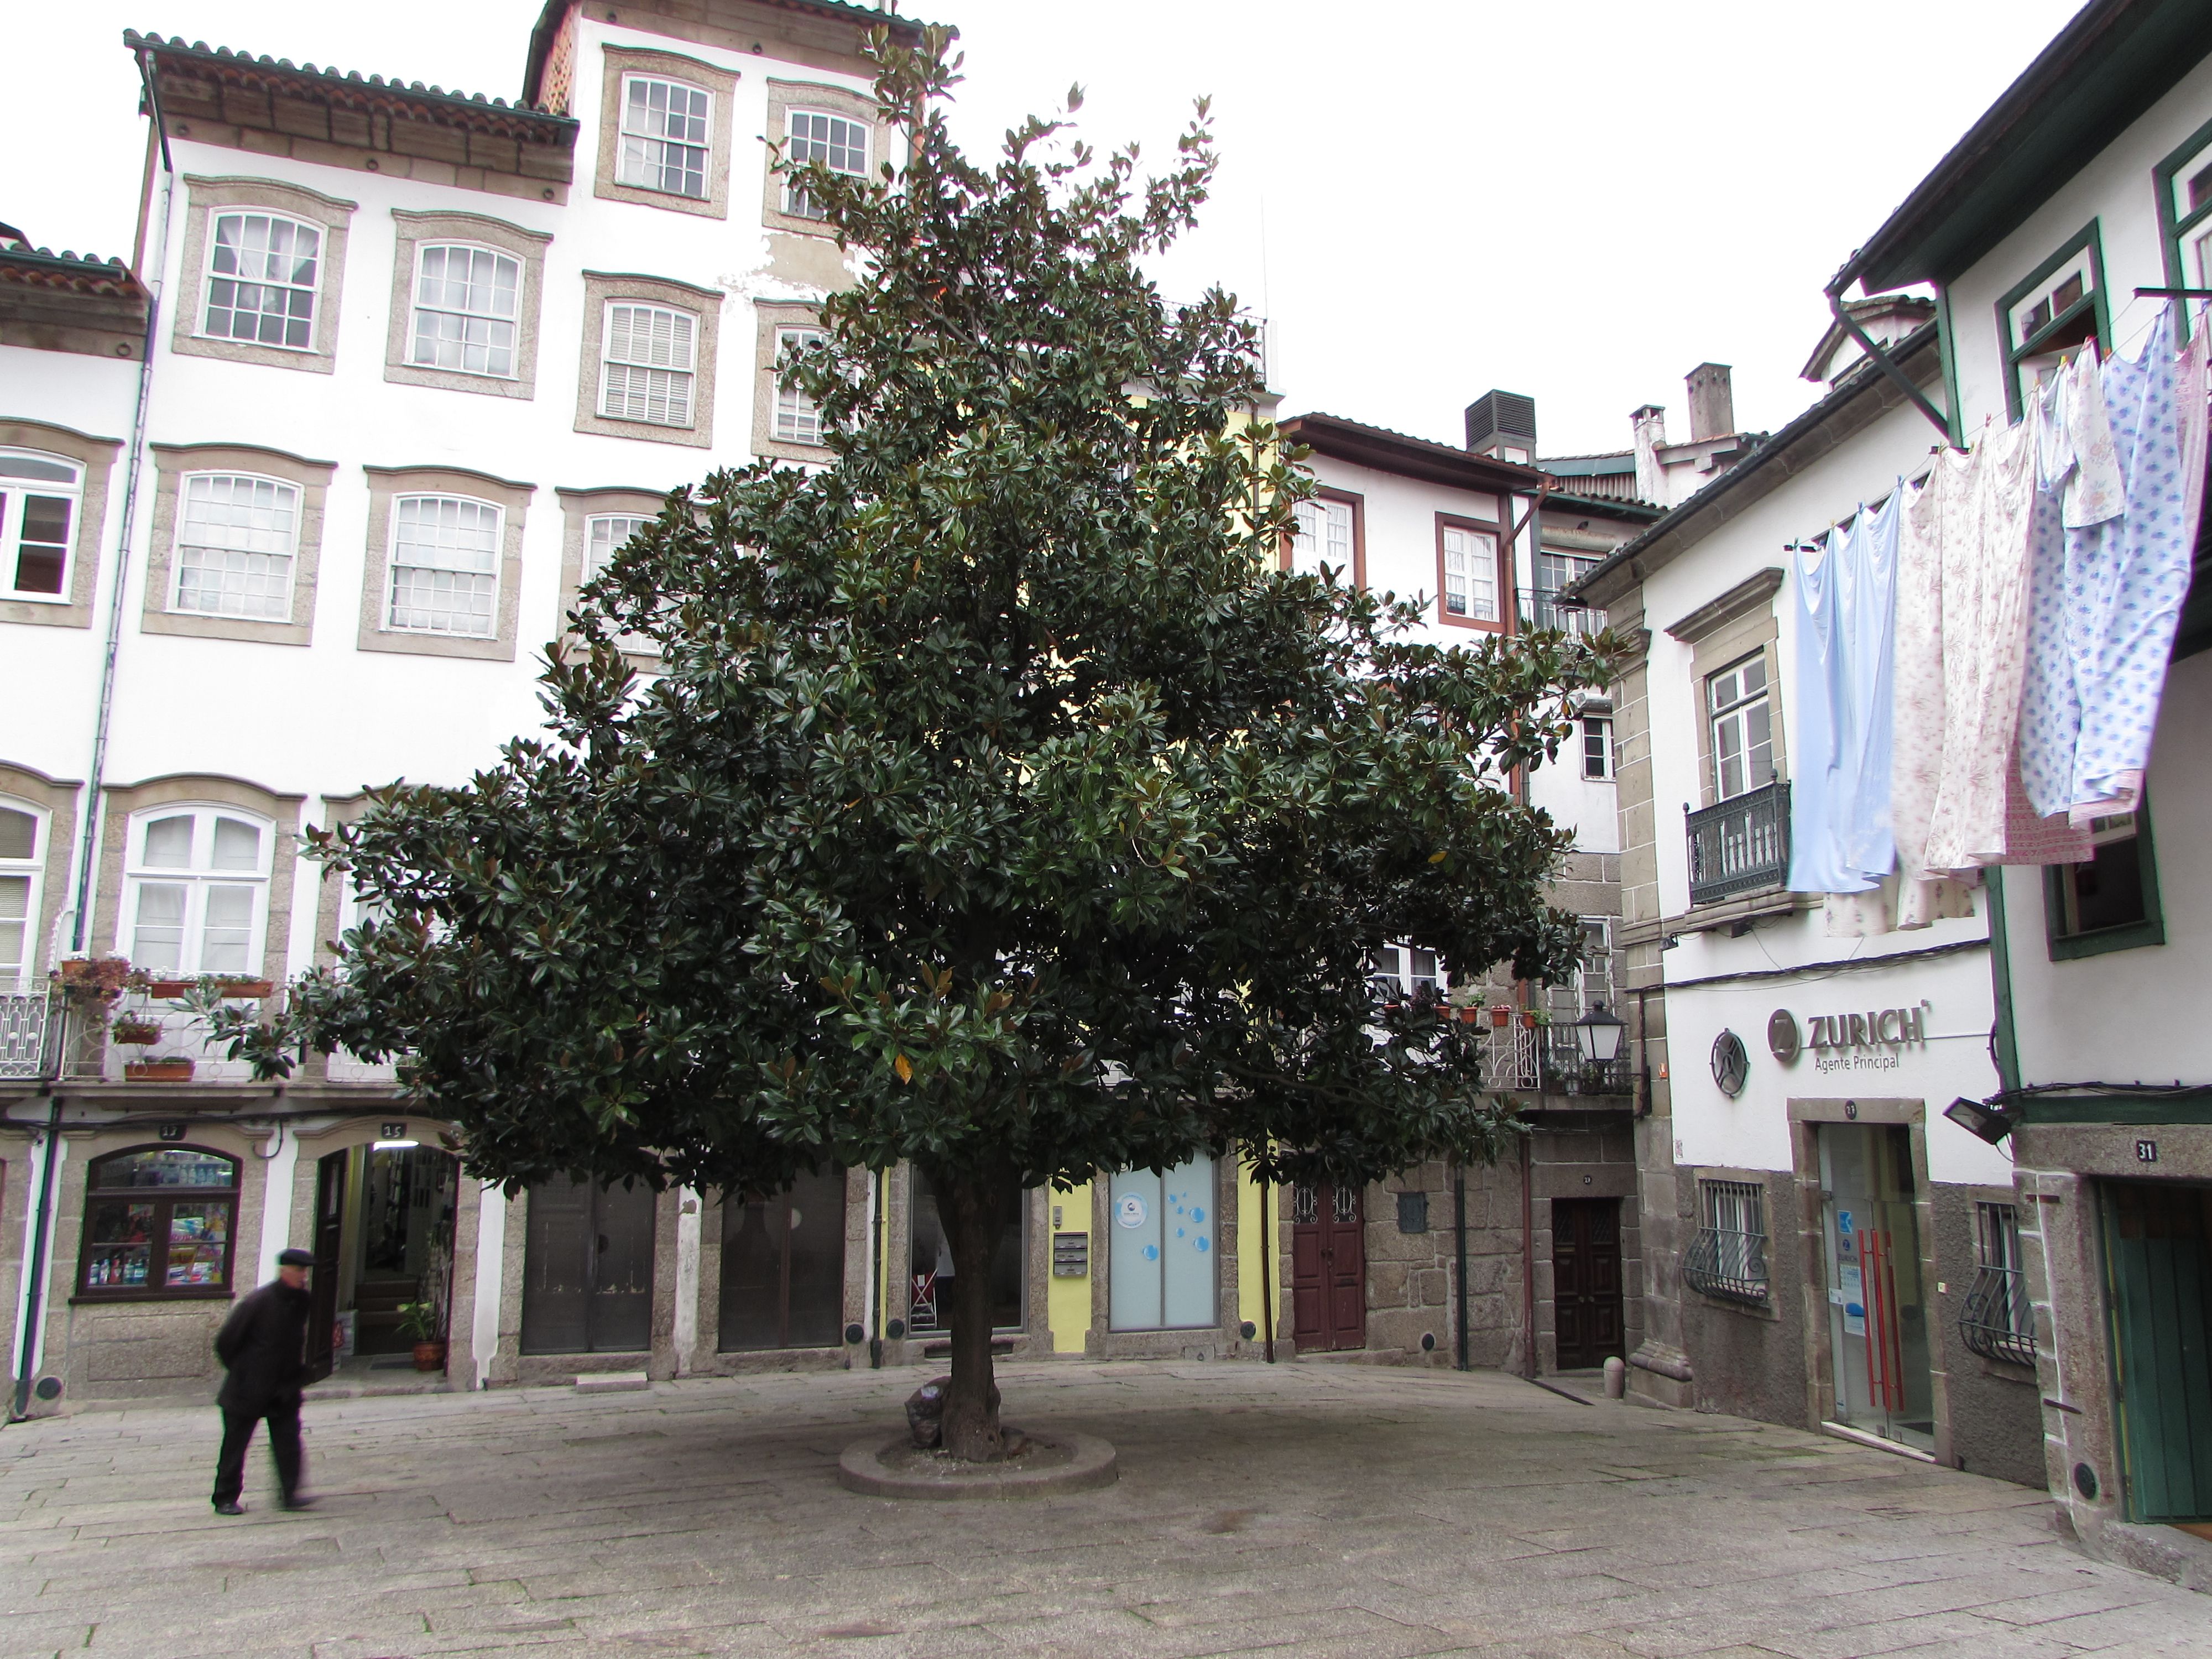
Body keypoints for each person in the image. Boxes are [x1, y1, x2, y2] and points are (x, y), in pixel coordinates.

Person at [211, 1246, 316, 1515]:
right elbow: (226, 1342)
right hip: (248, 1389)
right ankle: (225, 1497)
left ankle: (290, 1493)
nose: (303, 1276)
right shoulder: (257, 1302)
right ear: (284, 1271)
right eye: (298, 1270)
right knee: (235, 1445)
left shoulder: (302, 1301)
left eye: (305, 1271)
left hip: (283, 1388)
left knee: (288, 1441)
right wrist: (244, 1372)